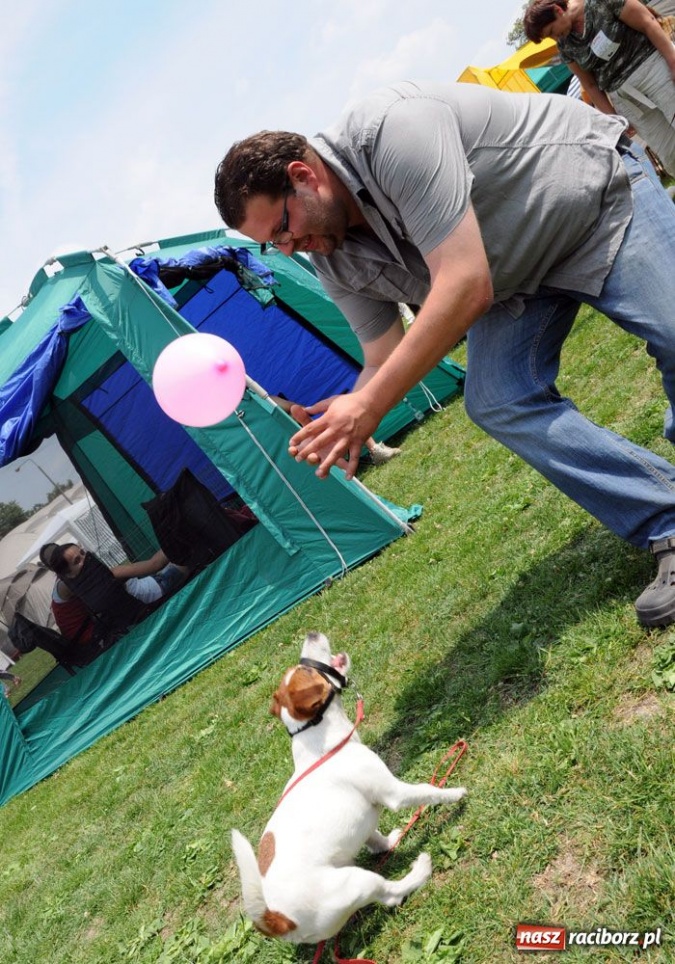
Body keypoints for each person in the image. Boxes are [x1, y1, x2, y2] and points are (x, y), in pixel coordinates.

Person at [214, 80, 675, 628]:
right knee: (498, 399)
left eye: (283, 229)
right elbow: (381, 354)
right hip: (517, 279)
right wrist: (345, 414)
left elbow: (465, 282)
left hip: (590, 198)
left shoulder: (392, 132)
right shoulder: (330, 255)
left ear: (303, 176)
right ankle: (664, 519)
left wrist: (371, 407)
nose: (288, 250)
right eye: (272, 246)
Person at [524, 0, 675, 176]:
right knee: (669, 154)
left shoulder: (601, 2)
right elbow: (590, 85)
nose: (555, 38)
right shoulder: (565, 47)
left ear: (558, 10)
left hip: (654, 69)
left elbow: (647, 22)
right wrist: (614, 119)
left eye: (551, 31)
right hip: (625, 98)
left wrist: (672, 61)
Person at [39, 542, 188, 631]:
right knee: (187, 558)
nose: (85, 559)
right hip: (157, 588)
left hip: (142, 603)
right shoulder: (108, 576)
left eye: (83, 553)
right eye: (78, 560)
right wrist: (174, 539)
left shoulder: (81, 591)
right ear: (65, 572)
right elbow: (155, 564)